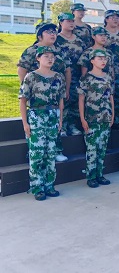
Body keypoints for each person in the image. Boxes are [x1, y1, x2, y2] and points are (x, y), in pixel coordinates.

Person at [18, 22, 70, 162]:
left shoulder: (59, 50)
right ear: (40, 36)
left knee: (57, 123)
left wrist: (67, 90)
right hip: (37, 97)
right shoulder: (31, 51)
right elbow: (22, 69)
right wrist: (28, 90)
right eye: (48, 32)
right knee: (35, 129)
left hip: (55, 93)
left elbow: (67, 70)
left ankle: (56, 150)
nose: (53, 34)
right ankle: (34, 152)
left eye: (54, 31)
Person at [19, 46, 66, 201]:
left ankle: (49, 185)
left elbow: (60, 100)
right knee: (37, 154)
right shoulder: (31, 77)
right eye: (46, 56)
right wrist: (25, 123)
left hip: (53, 116)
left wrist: (60, 120)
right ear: (38, 58)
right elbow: (23, 100)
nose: (50, 59)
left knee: (51, 153)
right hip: (36, 116)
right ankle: (37, 187)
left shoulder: (58, 77)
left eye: (52, 56)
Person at [77, 49, 114, 188]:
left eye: (104, 58)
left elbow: (110, 96)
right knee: (91, 148)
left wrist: (112, 114)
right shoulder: (86, 78)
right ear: (92, 61)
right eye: (99, 58)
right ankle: (91, 176)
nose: (103, 61)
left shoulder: (107, 77)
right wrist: (82, 118)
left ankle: (100, 174)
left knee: (102, 147)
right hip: (91, 118)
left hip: (105, 117)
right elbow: (81, 99)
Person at [55, 13, 84, 137]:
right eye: (68, 21)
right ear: (61, 23)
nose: (71, 23)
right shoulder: (56, 39)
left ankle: (72, 126)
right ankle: (62, 126)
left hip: (77, 77)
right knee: (62, 102)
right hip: (61, 77)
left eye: (72, 21)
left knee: (75, 102)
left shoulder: (79, 40)